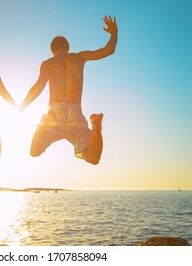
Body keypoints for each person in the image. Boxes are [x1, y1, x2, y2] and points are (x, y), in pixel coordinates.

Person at [19, 15, 118, 165]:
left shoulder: (48, 64)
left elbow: (38, 87)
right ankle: (96, 130)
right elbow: (108, 50)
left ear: (52, 50)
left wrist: (22, 106)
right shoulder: (79, 58)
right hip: (75, 113)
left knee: (34, 151)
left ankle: (42, 126)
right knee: (93, 158)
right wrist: (114, 32)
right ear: (68, 47)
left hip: (54, 113)